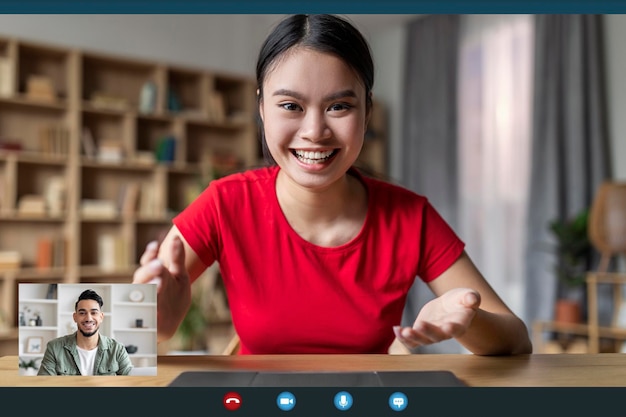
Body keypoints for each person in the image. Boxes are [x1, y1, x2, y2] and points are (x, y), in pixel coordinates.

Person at [133, 14, 532, 355]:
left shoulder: (410, 216)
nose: (314, 131)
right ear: (261, 108)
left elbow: (516, 340)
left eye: (339, 106)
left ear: (367, 111)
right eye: (290, 106)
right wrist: (153, 322)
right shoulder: (225, 203)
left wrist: (468, 320)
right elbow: (117, 343)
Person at [37, 289, 133, 375]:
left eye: (94, 312)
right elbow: (43, 384)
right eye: (82, 313)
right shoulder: (55, 347)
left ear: (101, 317)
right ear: (75, 317)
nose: (88, 318)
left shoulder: (117, 349)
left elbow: (132, 383)